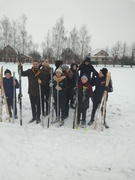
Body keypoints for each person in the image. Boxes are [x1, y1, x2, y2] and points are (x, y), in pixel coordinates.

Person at [18, 60, 45, 124]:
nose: (35, 65)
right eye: (34, 64)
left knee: (38, 106)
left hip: (38, 92)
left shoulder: (41, 72)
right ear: (32, 64)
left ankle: (38, 117)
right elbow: (21, 73)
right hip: (31, 91)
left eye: (36, 64)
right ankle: (34, 117)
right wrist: (20, 66)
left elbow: (45, 81)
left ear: (38, 64)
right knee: (32, 105)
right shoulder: (29, 71)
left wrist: (41, 82)